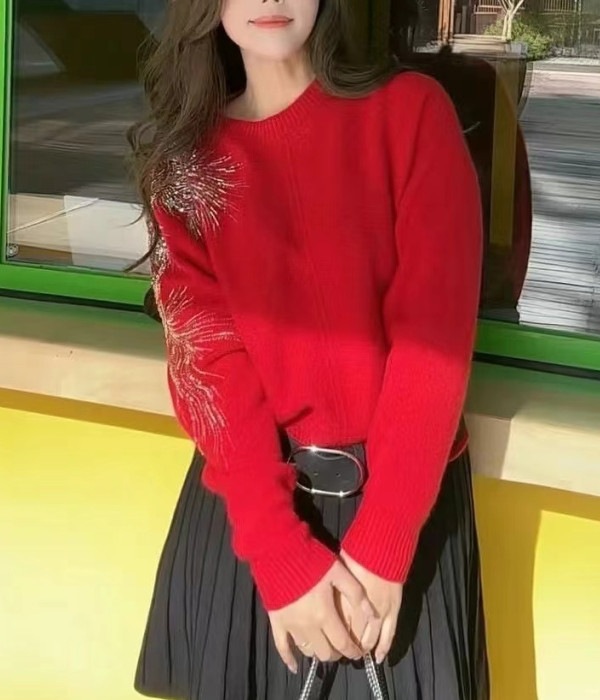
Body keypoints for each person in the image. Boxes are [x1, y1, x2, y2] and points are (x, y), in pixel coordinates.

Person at [130, 1, 489, 698]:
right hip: (255, 522)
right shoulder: (185, 164)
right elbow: (210, 368)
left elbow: (434, 341)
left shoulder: (410, 115)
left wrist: (385, 540)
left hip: (402, 516)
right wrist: (279, 555)